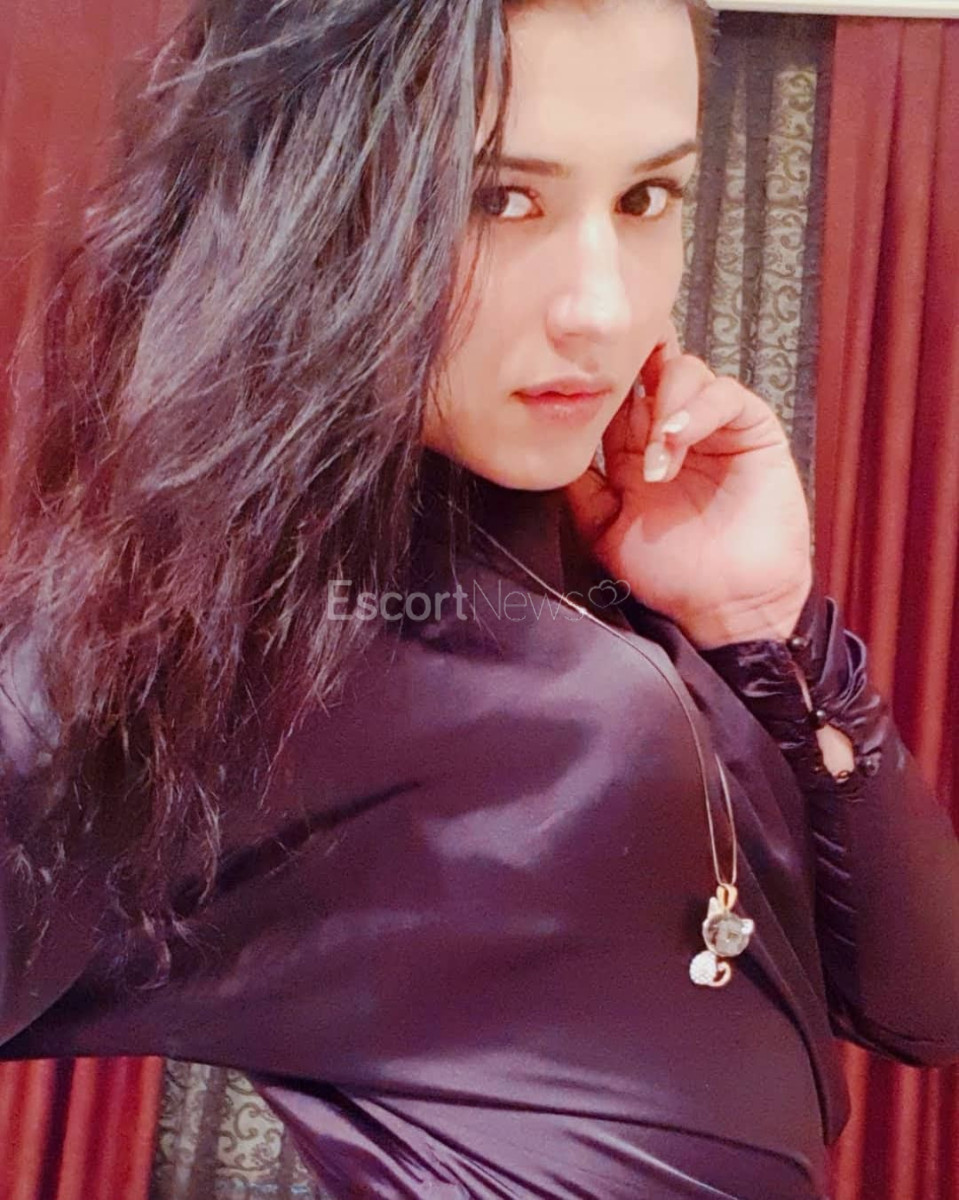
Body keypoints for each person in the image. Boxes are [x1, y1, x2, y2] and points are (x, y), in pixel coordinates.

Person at [0, 0, 957, 1197]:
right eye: (497, 199)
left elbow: (925, 1006)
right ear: (304, 204)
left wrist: (760, 626)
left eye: (646, 196)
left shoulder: (620, 558)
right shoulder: (235, 646)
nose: (601, 309)